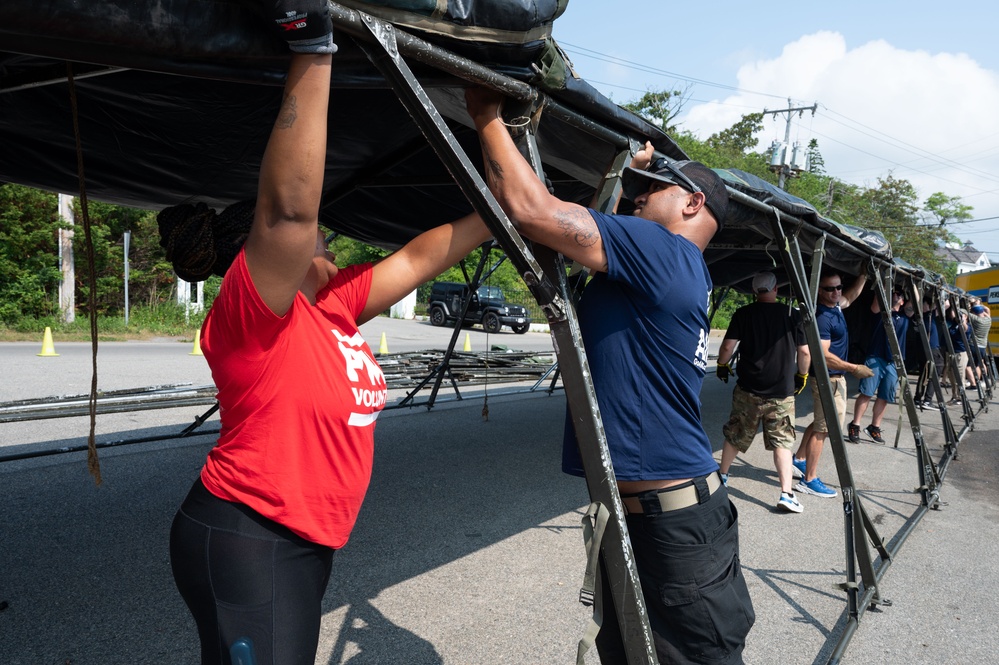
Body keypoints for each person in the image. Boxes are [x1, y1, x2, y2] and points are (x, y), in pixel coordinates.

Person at [161, 11, 492, 664]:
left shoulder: (331, 308)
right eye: (322, 240)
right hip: (247, 531)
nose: (329, 242)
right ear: (260, 260)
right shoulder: (249, 316)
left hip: (303, 539)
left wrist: (503, 208)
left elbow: (418, 259)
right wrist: (314, 48)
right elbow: (288, 208)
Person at [465, 88, 754, 664]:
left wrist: (485, 115)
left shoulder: (660, 251)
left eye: (655, 190)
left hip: (672, 528)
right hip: (665, 518)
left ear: (693, 204)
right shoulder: (671, 265)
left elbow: (535, 212)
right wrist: (630, 172)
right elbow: (588, 230)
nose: (641, 196)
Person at [716, 271, 810, 514]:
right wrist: (802, 375)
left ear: (754, 291)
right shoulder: (792, 316)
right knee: (783, 442)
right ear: (776, 289)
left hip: (748, 388)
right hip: (781, 392)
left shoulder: (743, 313)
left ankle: (722, 477)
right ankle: (787, 494)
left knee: (736, 432)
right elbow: (805, 353)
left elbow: (728, 346)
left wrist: (722, 364)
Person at [791, 271, 871, 499]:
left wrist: (863, 275)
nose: (836, 292)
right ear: (819, 291)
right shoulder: (823, 316)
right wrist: (854, 368)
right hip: (828, 378)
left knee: (820, 422)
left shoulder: (836, 305)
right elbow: (824, 355)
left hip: (834, 378)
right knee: (824, 428)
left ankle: (799, 459)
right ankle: (809, 480)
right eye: (830, 288)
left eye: (838, 287)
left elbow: (851, 296)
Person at [847, 290, 909, 444]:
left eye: (899, 295)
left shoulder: (905, 316)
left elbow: (917, 302)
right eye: (893, 293)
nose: (896, 295)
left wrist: (913, 283)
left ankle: (874, 427)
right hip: (876, 357)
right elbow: (876, 302)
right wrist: (884, 288)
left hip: (894, 362)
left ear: (902, 301)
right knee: (866, 392)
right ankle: (855, 425)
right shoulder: (880, 312)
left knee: (884, 396)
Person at [912, 298, 945, 408]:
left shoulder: (920, 317)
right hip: (931, 349)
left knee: (923, 374)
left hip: (924, 349)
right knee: (935, 371)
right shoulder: (927, 316)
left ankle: (917, 399)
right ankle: (927, 400)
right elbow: (946, 304)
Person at [945, 305, 970, 404]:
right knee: (951, 377)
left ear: (966, 316)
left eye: (962, 314)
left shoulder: (966, 326)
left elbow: (965, 329)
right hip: (950, 352)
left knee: (959, 376)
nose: (958, 315)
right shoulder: (953, 324)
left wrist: (962, 320)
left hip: (960, 353)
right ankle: (954, 396)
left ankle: (961, 397)